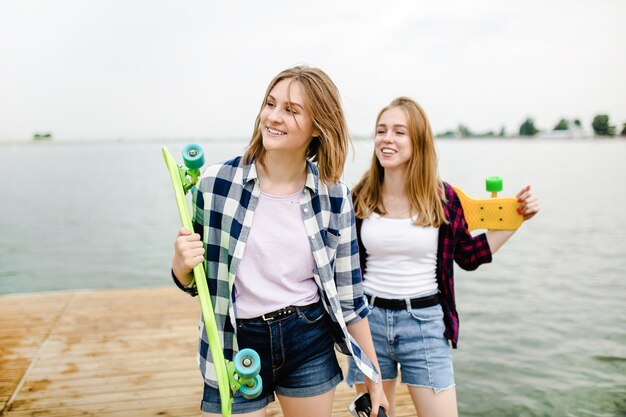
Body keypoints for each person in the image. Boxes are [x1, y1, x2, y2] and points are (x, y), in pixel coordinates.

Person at [171, 66, 388, 417]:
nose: (273, 116)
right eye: (270, 104)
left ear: (318, 126)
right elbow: (196, 284)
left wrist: (373, 378)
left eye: (291, 110)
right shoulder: (214, 184)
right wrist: (179, 267)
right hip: (235, 342)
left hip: (308, 338)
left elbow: (350, 299)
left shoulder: (335, 197)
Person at [346, 97, 540, 417]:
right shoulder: (360, 195)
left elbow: (469, 256)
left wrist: (517, 220)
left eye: (399, 131)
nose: (387, 138)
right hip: (369, 323)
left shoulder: (443, 197)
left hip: (423, 323)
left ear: (418, 141)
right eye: (381, 131)